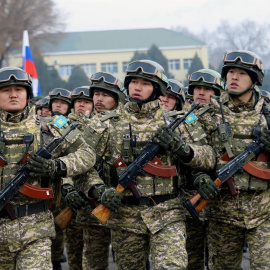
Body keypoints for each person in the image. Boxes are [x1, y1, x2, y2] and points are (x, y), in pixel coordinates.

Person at [88, 60, 216, 270]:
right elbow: (84, 165)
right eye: (134, 82)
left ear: (157, 89)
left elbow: (209, 158)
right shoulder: (106, 124)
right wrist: (98, 190)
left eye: (145, 83)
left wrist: (182, 148)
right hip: (125, 217)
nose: (138, 88)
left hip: (168, 213)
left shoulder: (180, 122)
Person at [0, 66, 96, 270]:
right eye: (6, 90)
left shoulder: (51, 126)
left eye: (19, 89)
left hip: (35, 230)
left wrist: (56, 166)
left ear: (28, 94)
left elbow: (88, 155)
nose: (13, 94)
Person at [196, 50, 270, 269]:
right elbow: (198, 155)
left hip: (264, 210)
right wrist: (199, 177)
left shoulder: (268, 112)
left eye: (241, 73)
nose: (234, 78)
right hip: (222, 212)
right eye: (230, 73)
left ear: (254, 79)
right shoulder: (208, 114)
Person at [75, 74, 126, 270]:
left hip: (125, 202)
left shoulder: (127, 123)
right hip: (94, 201)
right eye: (96, 94)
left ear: (117, 99)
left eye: (105, 95)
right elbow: (75, 163)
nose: (99, 99)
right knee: (94, 259)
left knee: (127, 259)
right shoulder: (83, 124)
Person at [183, 69, 223, 270]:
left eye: (207, 89)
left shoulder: (225, 118)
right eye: (197, 88)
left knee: (220, 259)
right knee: (193, 258)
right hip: (192, 195)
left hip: (223, 198)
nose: (201, 92)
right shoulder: (185, 119)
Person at [47, 88, 72, 270]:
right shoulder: (41, 123)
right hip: (46, 188)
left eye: (63, 103)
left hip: (66, 187)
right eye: (55, 102)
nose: (58, 105)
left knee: (62, 234)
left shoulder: (64, 124)